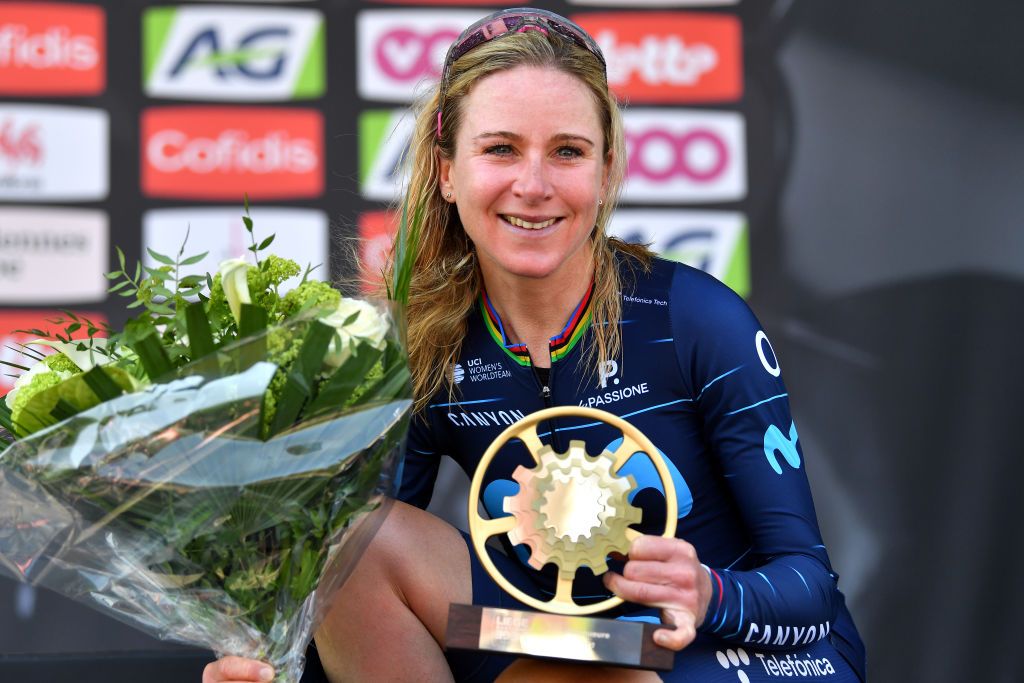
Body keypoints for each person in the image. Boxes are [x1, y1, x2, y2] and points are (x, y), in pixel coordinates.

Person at [205, 8, 866, 682]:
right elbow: (355, 593)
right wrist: (273, 669)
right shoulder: (431, 344)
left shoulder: (694, 317)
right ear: (446, 172)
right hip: (573, 639)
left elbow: (809, 588)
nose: (534, 185)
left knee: (567, 668)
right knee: (352, 541)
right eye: (500, 149)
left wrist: (708, 590)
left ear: (606, 172)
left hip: (747, 650)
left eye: (567, 151)